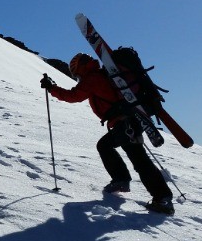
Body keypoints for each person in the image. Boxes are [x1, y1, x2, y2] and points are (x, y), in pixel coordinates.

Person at [41, 53, 174, 214]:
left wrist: (51, 88)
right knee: (135, 158)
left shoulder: (93, 78)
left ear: (80, 68)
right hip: (130, 122)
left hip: (124, 124)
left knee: (117, 151)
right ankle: (155, 195)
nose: (77, 77)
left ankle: (134, 186)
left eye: (76, 73)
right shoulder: (101, 75)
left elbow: (74, 96)